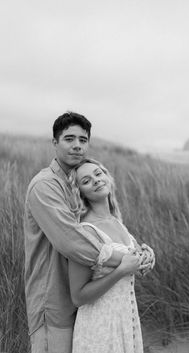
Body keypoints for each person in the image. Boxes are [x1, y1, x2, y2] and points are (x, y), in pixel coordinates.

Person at [24, 112, 140, 353]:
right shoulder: (45, 185)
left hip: (83, 306)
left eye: (83, 139)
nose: (77, 145)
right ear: (55, 143)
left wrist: (136, 254)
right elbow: (72, 242)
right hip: (53, 302)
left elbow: (99, 229)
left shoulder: (76, 185)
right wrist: (126, 259)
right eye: (69, 139)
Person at [68, 158, 155, 353]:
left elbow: (131, 263)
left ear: (107, 176)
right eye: (86, 180)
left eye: (98, 174)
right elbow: (78, 296)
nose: (96, 180)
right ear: (80, 193)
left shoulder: (117, 222)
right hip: (99, 329)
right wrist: (121, 270)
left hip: (126, 320)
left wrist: (145, 257)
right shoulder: (86, 232)